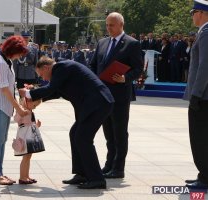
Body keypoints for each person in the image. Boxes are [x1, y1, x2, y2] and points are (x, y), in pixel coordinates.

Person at [19, 56, 114, 189]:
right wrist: (36, 97)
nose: (44, 79)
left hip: (98, 104)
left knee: (83, 139)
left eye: (42, 75)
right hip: (94, 105)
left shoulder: (61, 67)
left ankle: (96, 179)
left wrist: (29, 94)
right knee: (74, 133)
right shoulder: (62, 71)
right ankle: (81, 174)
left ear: (46, 67)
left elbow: (51, 89)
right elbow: (56, 92)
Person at [90, 12, 143, 179]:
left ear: (121, 24)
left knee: (119, 132)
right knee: (108, 133)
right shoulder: (102, 43)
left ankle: (119, 168)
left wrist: (125, 78)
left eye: (111, 25)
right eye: (107, 25)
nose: (108, 28)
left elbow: (138, 68)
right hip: (103, 96)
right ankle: (109, 164)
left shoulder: (132, 44)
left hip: (120, 95)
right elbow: (93, 65)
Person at [0, 35, 30, 185]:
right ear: (13, 50)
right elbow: (5, 89)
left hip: (5, 107)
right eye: (19, 53)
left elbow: (9, 87)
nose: (20, 56)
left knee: (2, 141)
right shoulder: (0, 63)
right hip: (0, 106)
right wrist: (18, 108)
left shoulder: (7, 61)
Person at [183, 0, 208, 189]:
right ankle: (204, 174)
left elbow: (204, 67)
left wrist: (196, 94)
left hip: (203, 97)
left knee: (200, 138)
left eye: (193, 12)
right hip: (203, 96)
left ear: (202, 13)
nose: (192, 16)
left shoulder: (206, 33)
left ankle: (205, 177)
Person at [13, 97, 43, 184]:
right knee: (25, 157)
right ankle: (22, 177)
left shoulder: (30, 111)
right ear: (27, 101)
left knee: (28, 156)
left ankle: (26, 176)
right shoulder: (22, 110)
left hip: (29, 137)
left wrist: (36, 125)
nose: (34, 107)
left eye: (36, 106)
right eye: (34, 105)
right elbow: (16, 119)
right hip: (24, 137)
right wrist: (21, 113)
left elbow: (30, 124)